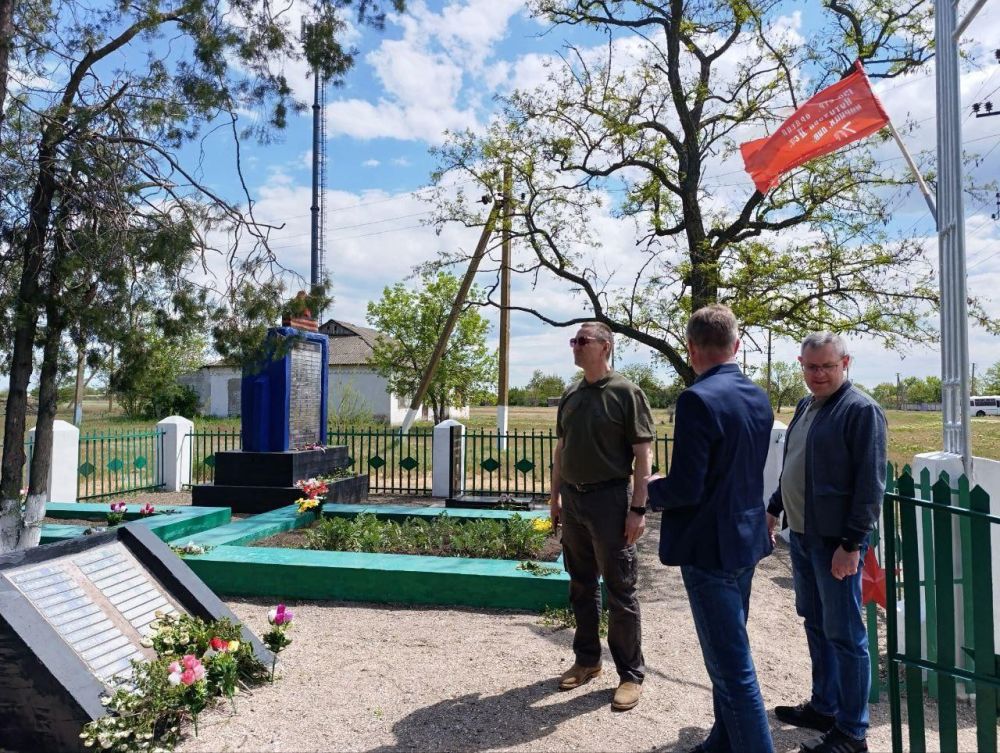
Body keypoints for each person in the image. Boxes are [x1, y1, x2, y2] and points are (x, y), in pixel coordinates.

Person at [647, 304, 775, 753]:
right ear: (736, 345)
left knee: (732, 671)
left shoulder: (696, 399)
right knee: (730, 654)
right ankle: (723, 741)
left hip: (710, 548)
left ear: (691, 348)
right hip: (745, 540)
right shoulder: (758, 396)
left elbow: (687, 487)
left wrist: (652, 488)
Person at [766, 333, 886, 753]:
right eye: (811, 366)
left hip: (836, 543)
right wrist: (775, 506)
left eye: (827, 367)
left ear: (845, 363)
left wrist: (851, 544)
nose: (818, 374)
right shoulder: (806, 405)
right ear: (801, 364)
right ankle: (824, 706)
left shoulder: (861, 410)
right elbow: (794, 465)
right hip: (803, 535)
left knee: (846, 635)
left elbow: (870, 486)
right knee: (816, 623)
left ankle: (852, 732)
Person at [549, 321, 655, 712]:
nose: (575, 346)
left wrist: (638, 509)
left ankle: (630, 674)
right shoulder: (571, 393)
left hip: (611, 501)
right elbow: (561, 450)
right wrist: (554, 498)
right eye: (573, 340)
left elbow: (643, 455)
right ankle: (587, 660)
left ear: (605, 347)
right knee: (581, 584)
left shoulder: (626, 392)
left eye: (583, 341)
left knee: (620, 589)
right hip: (574, 502)